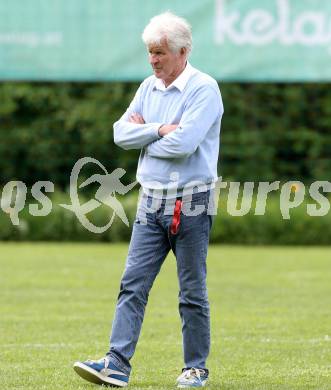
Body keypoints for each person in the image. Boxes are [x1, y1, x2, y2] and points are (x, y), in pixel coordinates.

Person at [73, 11, 224, 388]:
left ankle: (195, 368)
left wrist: (146, 137)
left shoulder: (204, 89)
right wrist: (158, 129)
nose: (153, 60)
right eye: (150, 52)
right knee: (132, 284)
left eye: (160, 52)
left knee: (191, 291)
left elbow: (184, 144)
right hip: (150, 202)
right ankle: (117, 364)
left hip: (191, 202)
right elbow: (120, 134)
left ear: (183, 51)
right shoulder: (147, 86)